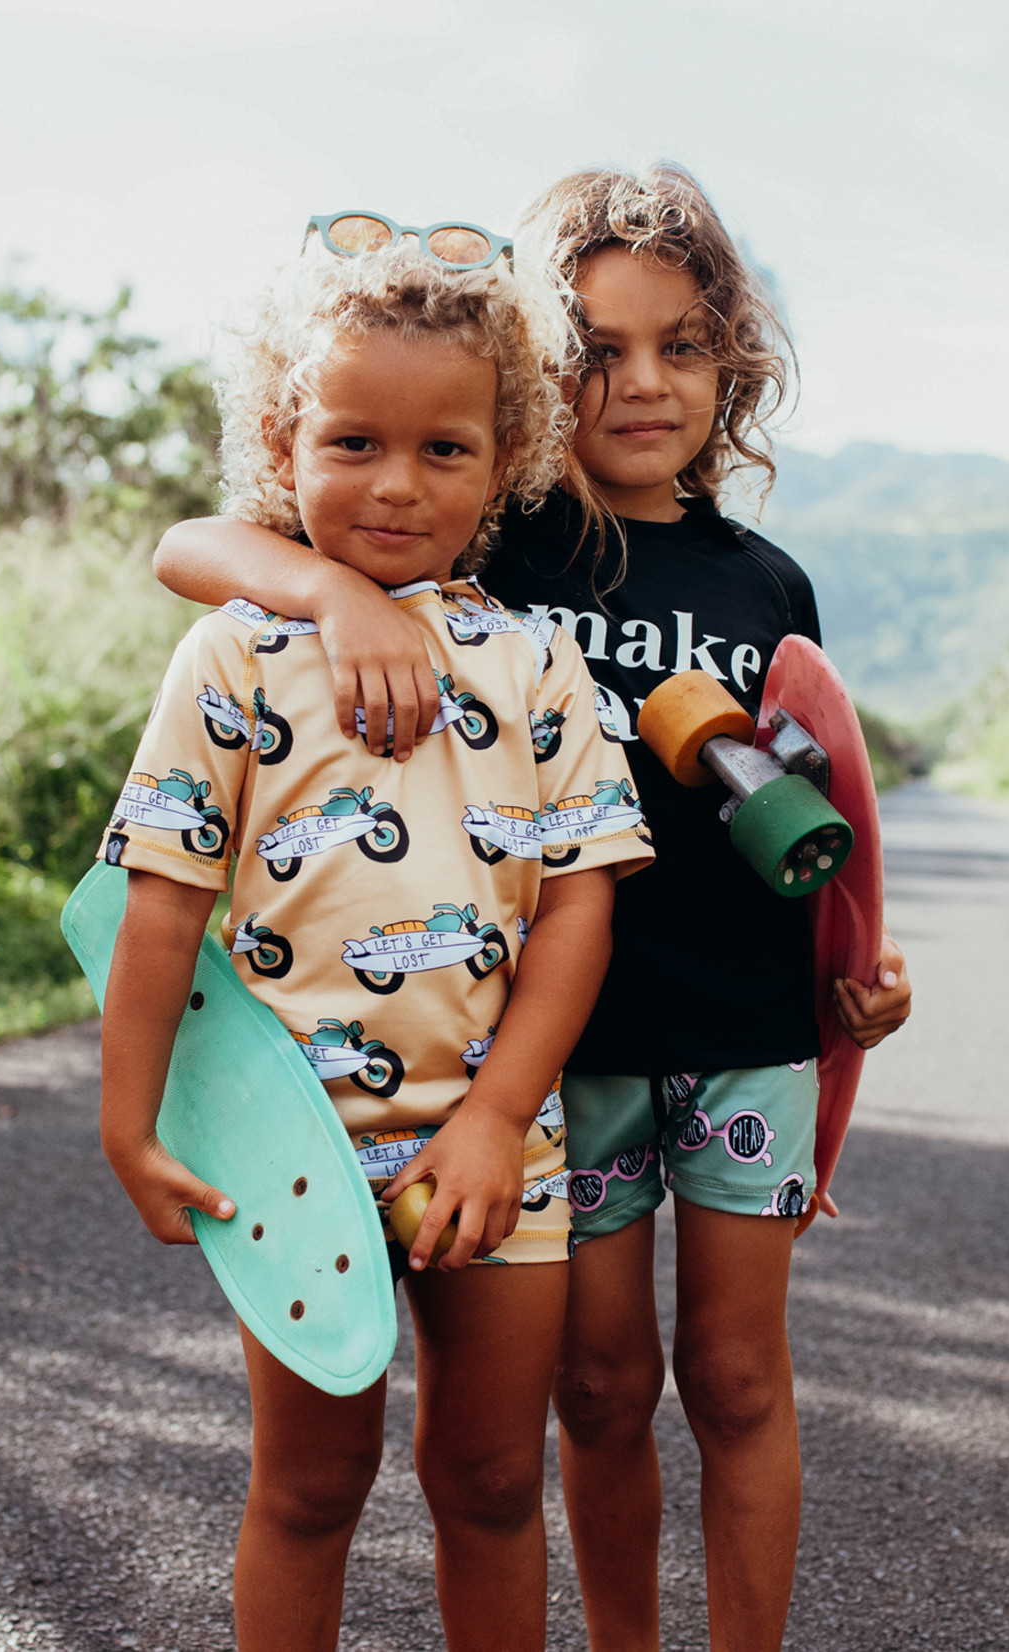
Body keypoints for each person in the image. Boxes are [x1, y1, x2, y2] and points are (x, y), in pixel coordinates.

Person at [152, 166, 914, 1652]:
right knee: (601, 1390)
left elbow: (816, 812)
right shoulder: (494, 546)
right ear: (535, 387)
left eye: (682, 345)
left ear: (731, 368)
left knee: (743, 1380)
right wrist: (338, 601)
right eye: (598, 351)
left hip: (748, 1027)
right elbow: (197, 550)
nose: (642, 384)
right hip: (567, 1058)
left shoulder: (773, 583)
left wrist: (855, 977)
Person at [99, 226, 654, 1652]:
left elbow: (579, 905)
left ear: (505, 457)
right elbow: (159, 902)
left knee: (484, 1484)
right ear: (284, 443)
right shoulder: (231, 653)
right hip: (293, 1150)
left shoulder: (538, 664)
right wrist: (130, 1120)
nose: (397, 485)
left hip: (496, 1149)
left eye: (445, 451)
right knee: (307, 1487)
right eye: (352, 440)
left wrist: (498, 1117)